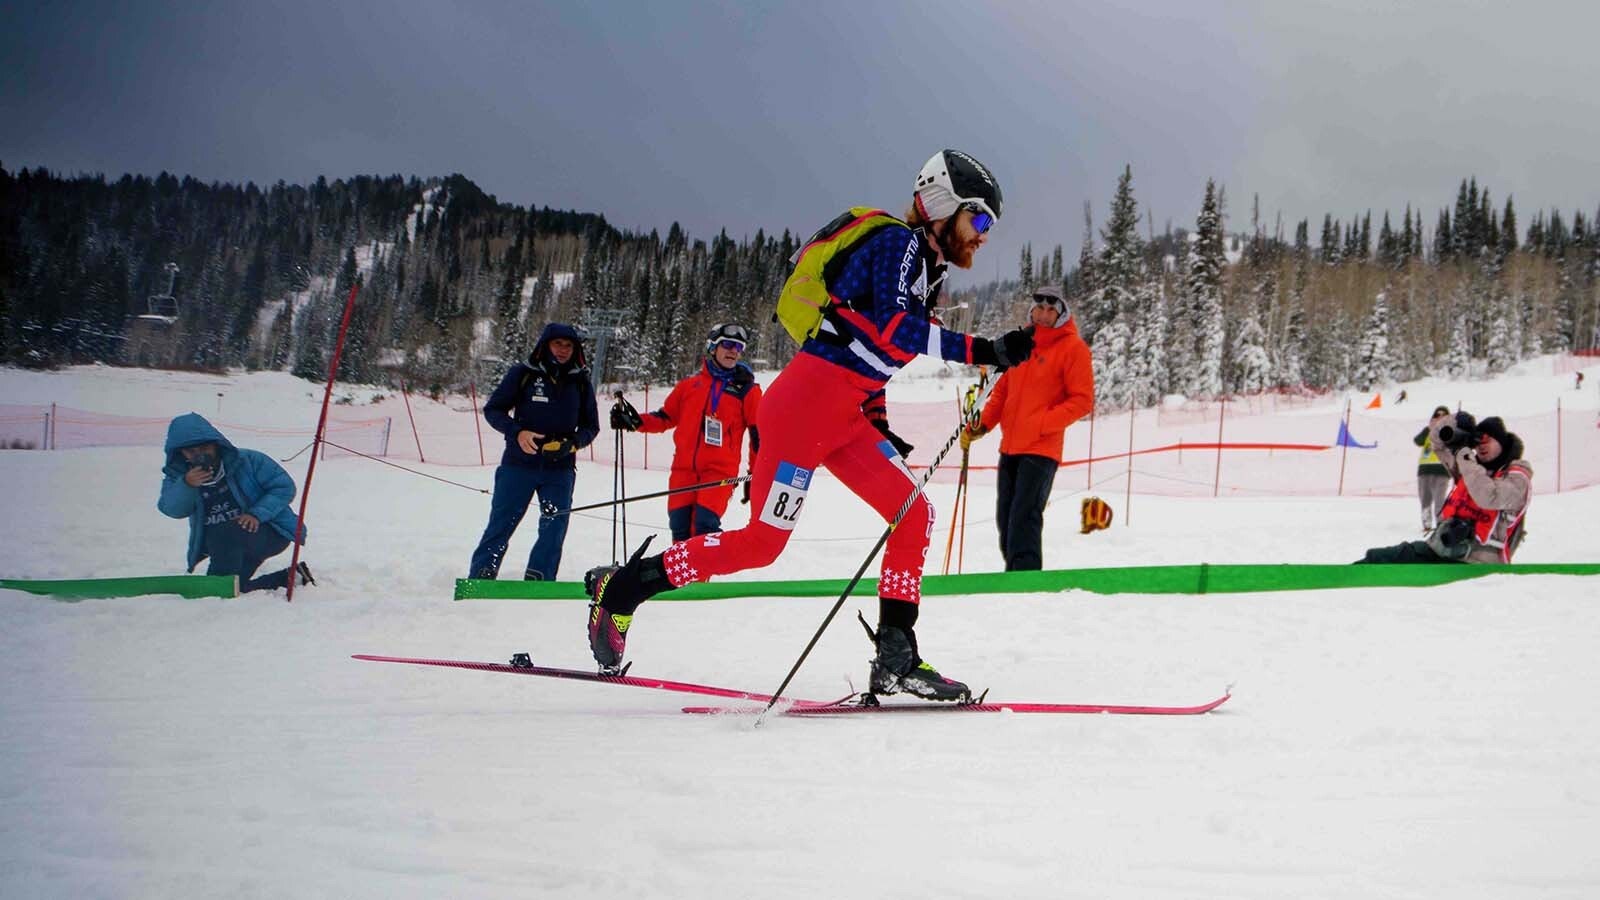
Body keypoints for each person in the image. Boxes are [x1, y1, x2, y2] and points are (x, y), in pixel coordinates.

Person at [581, 149, 1034, 701]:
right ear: (944, 206)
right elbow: (894, 328)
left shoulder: (924, 270)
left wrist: (879, 421)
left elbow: (873, 353)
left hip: (841, 419)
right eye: (980, 219)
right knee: (760, 545)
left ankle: (896, 658)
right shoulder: (901, 243)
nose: (985, 235)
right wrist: (984, 349)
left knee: (914, 514)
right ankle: (623, 590)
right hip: (799, 416)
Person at [960, 285, 1094, 570]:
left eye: (1051, 310)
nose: (1044, 315)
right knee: (1005, 517)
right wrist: (981, 425)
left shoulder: (1073, 349)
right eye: (1040, 308)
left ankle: (1026, 581)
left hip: (1041, 448)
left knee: (1024, 516)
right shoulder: (1021, 345)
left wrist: (1043, 423)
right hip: (1010, 447)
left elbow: (1082, 400)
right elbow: (1002, 392)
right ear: (1032, 310)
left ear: (1061, 314)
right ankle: (1015, 577)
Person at [469, 322, 599, 581]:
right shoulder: (523, 373)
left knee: (555, 525)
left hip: (559, 470)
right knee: (502, 522)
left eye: (569, 345)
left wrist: (572, 443)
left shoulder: (581, 382)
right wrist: (517, 432)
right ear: (545, 345)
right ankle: (482, 574)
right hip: (518, 465)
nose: (563, 350)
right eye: (557, 344)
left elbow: (591, 427)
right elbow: (493, 410)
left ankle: (540, 577)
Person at [612, 323, 763, 541]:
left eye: (738, 348)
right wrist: (634, 421)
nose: (733, 351)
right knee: (680, 529)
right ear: (713, 347)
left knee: (704, 528)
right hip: (683, 471)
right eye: (728, 344)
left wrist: (755, 475)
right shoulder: (689, 386)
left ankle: (700, 576)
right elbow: (665, 417)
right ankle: (680, 575)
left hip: (719, 473)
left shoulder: (747, 390)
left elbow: (757, 437)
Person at [158, 413, 313, 593]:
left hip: (269, 531)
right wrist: (187, 485)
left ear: (216, 444)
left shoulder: (249, 461)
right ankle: (292, 577)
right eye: (191, 451)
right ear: (180, 453)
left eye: (204, 447)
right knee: (234, 587)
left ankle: (215, 588)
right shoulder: (179, 476)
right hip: (223, 545)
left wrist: (257, 513)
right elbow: (172, 510)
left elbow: (284, 487)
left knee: (219, 581)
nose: (199, 455)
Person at [1358, 413, 1531, 564]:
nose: (1481, 445)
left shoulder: (1517, 477)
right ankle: (1351, 575)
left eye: (1487, 440)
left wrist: (1464, 454)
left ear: (1501, 442)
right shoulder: (1469, 465)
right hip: (1441, 550)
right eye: (1477, 441)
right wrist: (1454, 421)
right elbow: (1436, 441)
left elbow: (1489, 496)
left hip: (1478, 563)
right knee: (1380, 557)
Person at [1413, 406, 1453, 532]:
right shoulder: (1428, 431)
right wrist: (1429, 429)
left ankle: (1441, 526)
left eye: (1443, 415)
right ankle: (1427, 525)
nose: (1440, 418)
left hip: (1442, 470)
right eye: (1437, 415)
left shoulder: (1450, 431)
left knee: (1439, 501)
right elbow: (1417, 441)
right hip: (1424, 470)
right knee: (1425, 499)